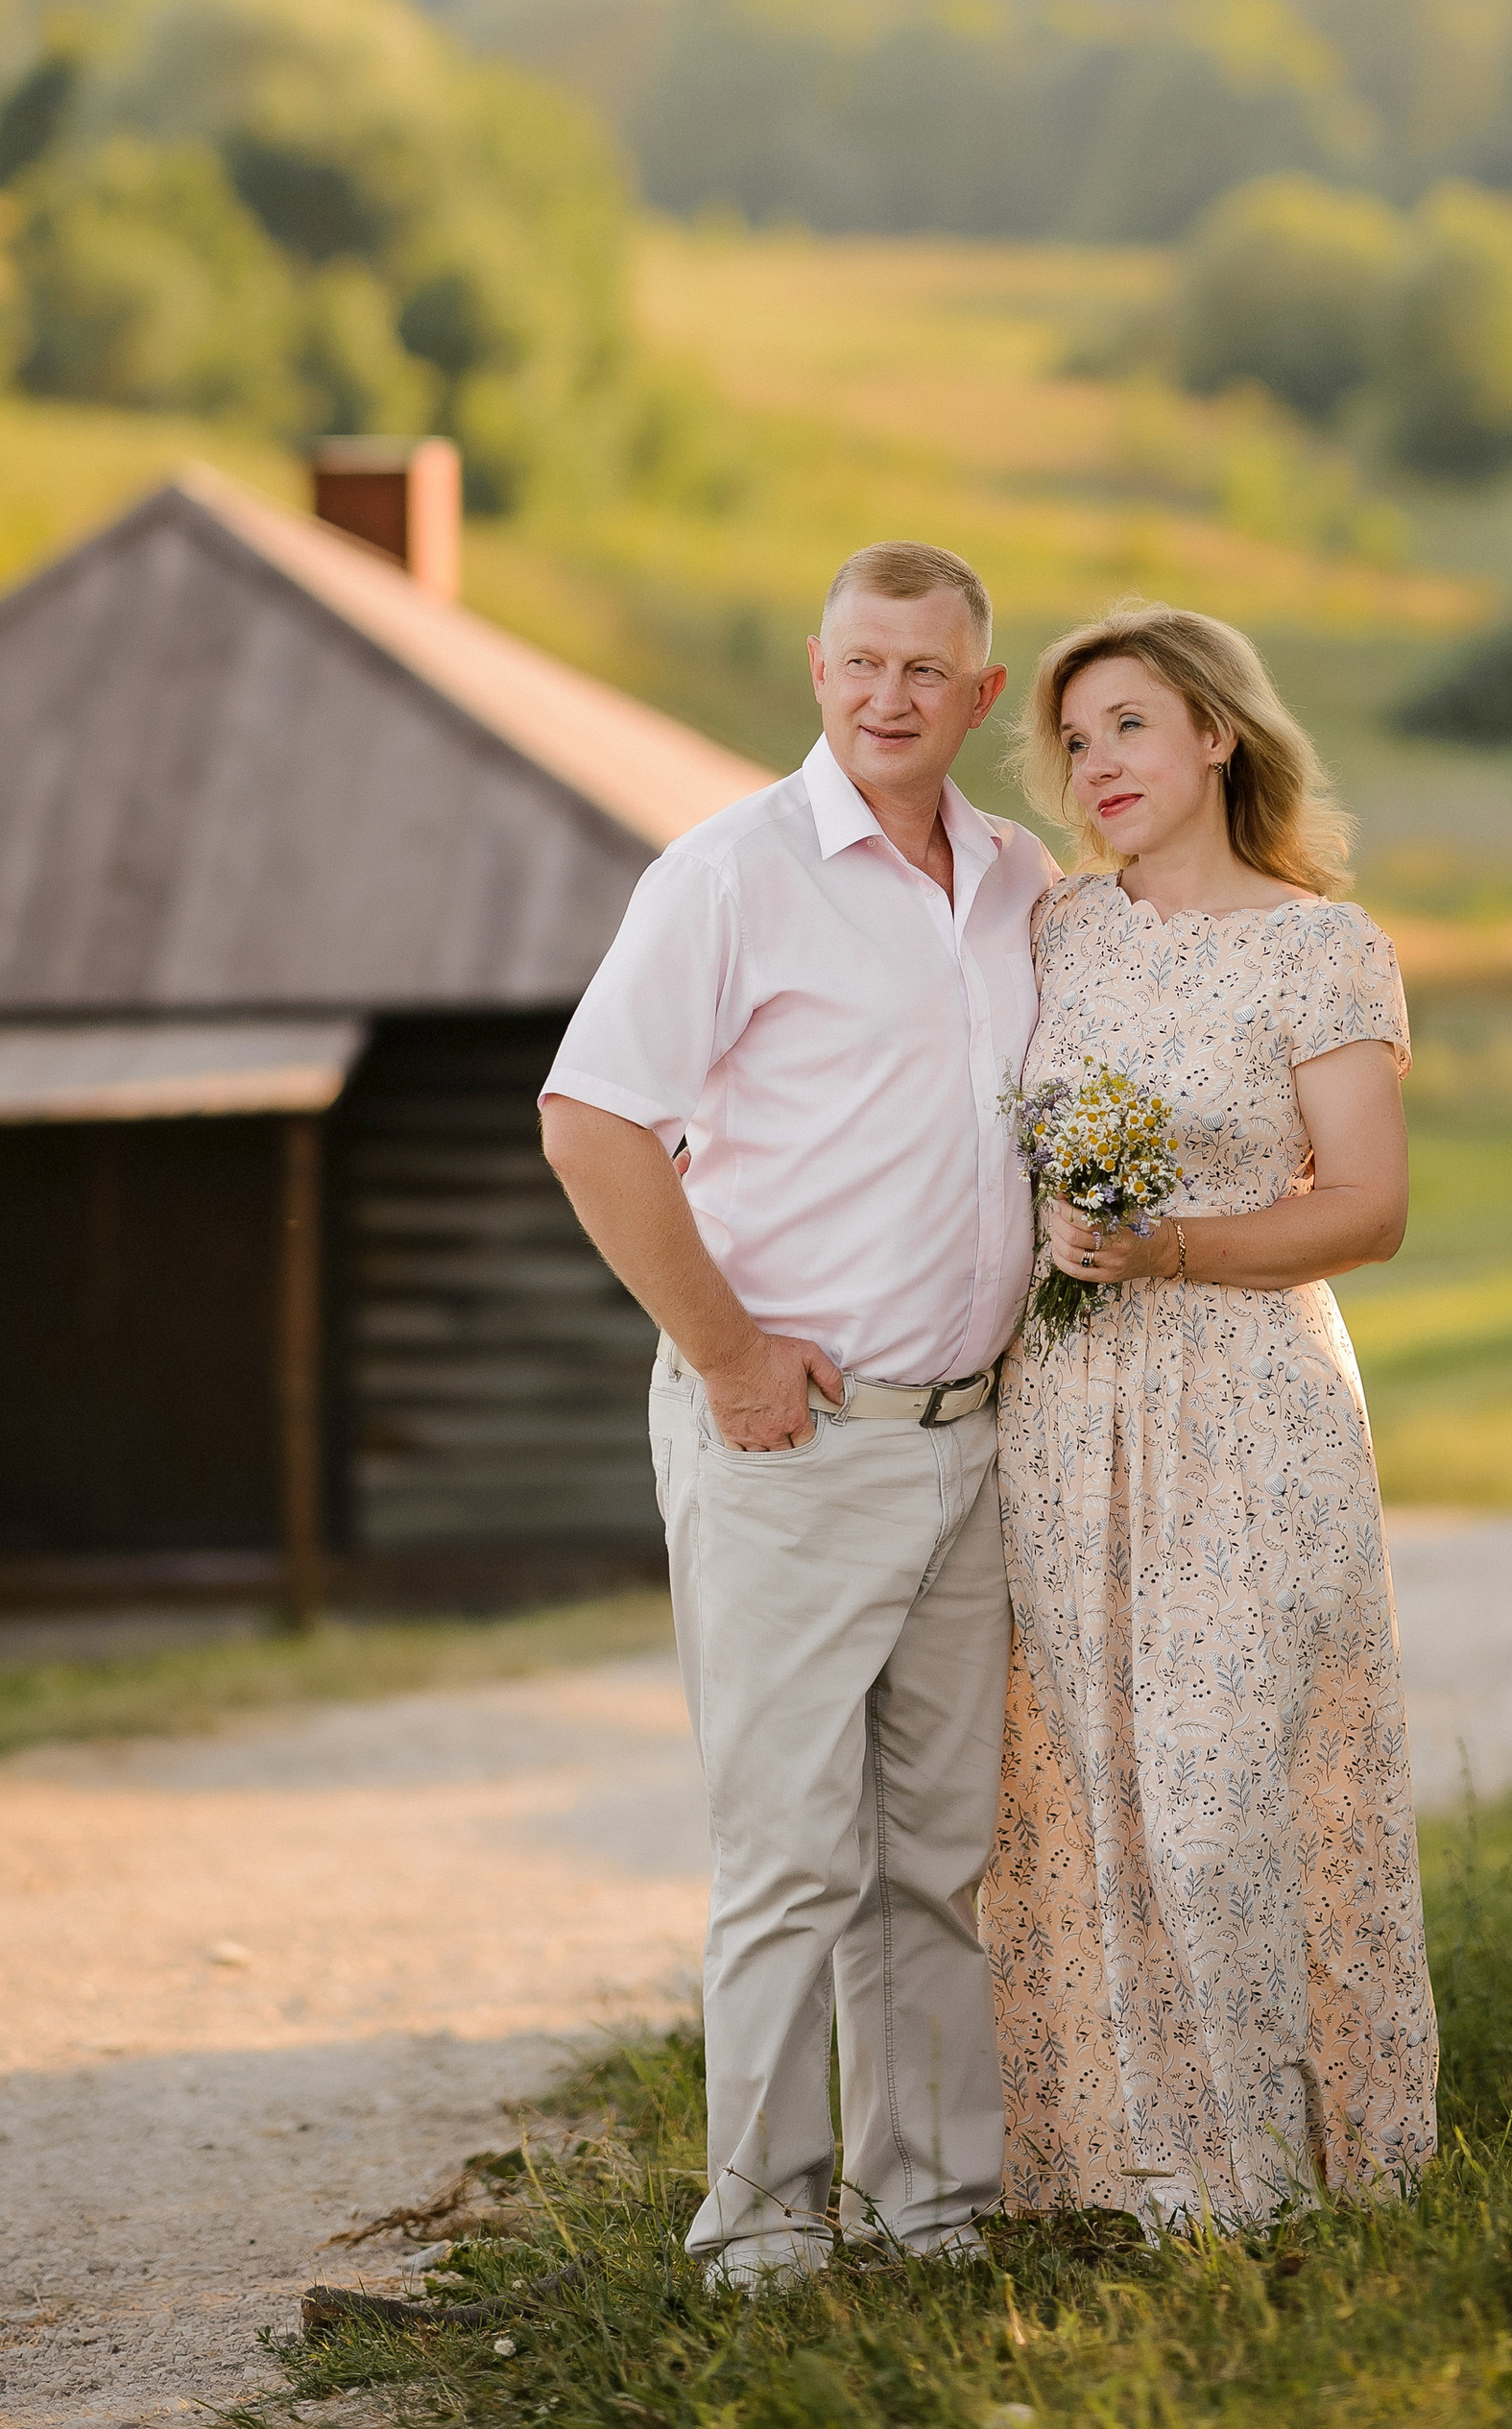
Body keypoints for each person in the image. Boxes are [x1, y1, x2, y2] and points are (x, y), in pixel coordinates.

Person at [539, 541, 1061, 2284]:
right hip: (793, 1445)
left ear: (981, 697)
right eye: (863, 662)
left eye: (929, 670)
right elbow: (592, 1123)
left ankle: (929, 2209)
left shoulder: (1015, 879)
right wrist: (733, 1351)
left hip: (970, 1444)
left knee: (929, 1859)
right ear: (817, 671)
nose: (892, 695)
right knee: (788, 1855)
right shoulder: (732, 873)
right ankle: (761, 2227)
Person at [985, 600, 1438, 2231]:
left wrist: (1170, 1246)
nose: (1098, 763)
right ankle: (1127, 2180)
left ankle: (1295, 2185)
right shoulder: (1062, 934)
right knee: (1089, 1790)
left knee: (1221, 1795)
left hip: (1250, 1404)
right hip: (1067, 1409)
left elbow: (1369, 1207)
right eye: (1078, 737)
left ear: (1218, 734)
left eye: (1131, 726)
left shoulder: (1325, 947)